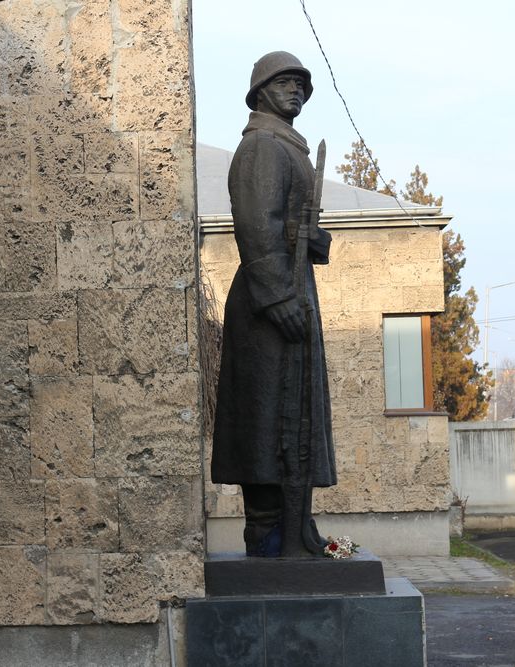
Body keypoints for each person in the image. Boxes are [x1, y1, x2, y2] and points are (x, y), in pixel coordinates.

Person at [211, 51, 337, 557]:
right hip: (271, 299)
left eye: (302, 85)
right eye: (285, 83)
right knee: (268, 417)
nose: (296, 91)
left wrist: (312, 241)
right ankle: (267, 531)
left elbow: (285, 224)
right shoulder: (263, 146)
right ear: (261, 90)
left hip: (294, 284)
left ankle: (297, 525)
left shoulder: (291, 147)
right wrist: (277, 295)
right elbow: (254, 224)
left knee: (297, 409)